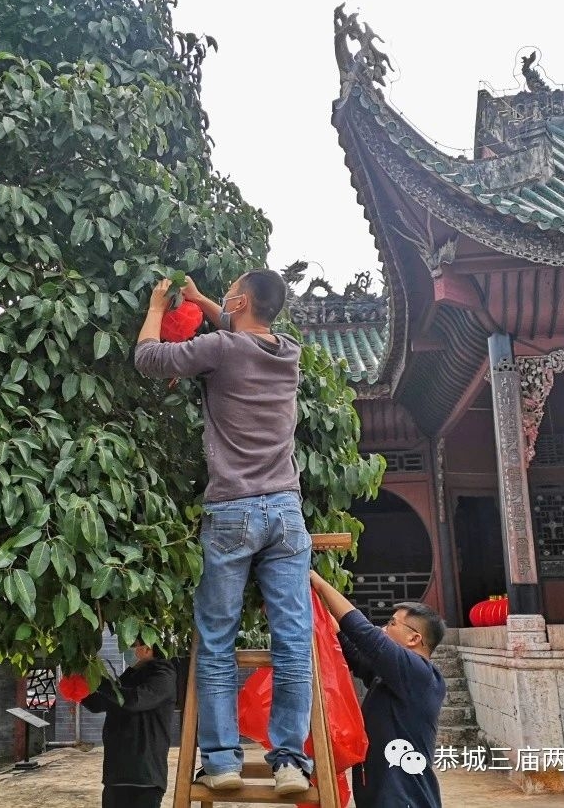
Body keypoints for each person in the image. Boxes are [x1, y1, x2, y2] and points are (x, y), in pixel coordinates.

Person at [134, 271, 313, 797]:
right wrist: (199, 301)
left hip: (232, 511)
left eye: (230, 294)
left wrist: (155, 307)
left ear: (239, 300)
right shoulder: (288, 353)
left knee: (215, 642)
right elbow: (238, 328)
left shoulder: (220, 349)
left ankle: (221, 761)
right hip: (286, 512)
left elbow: (149, 359)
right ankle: (289, 763)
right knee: (293, 642)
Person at [310, 570, 447, 808]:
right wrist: (312, 606)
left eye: (392, 623)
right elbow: (350, 648)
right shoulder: (394, 677)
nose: (384, 628)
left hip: (405, 801)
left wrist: (320, 583)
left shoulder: (420, 674)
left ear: (414, 639)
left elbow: (364, 634)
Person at [80, 641, 177, 808]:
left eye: (135, 644)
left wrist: (98, 681)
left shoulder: (163, 675)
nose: (131, 649)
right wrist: (79, 685)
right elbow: (97, 704)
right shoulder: (131, 675)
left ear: (148, 648)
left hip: (145, 774)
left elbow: (135, 700)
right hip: (116, 773)